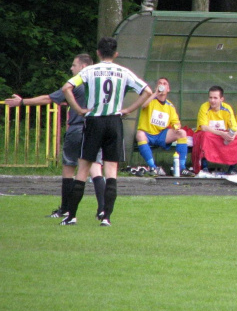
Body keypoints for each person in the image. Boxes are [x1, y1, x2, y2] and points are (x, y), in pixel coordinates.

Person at [61, 37, 152, 226]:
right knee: (111, 170)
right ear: (116, 54)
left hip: (94, 121)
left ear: (98, 53)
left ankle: (71, 216)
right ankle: (106, 217)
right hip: (114, 121)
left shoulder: (89, 70)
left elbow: (67, 88)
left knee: (83, 168)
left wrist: (78, 109)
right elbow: (147, 92)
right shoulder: (123, 71)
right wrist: (128, 110)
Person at [5, 54, 106, 219]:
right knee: (95, 168)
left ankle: (65, 209)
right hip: (96, 129)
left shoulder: (76, 84)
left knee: (69, 169)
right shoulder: (99, 85)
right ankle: (102, 209)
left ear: (82, 67)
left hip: (77, 129)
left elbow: (48, 98)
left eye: (74, 65)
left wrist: (22, 102)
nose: (71, 68)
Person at [136, 77, 194, 177]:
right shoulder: (151, 99)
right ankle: (153, 167)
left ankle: (181, 168)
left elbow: (176, 122)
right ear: (156, 87)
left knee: (182, 133)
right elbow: (144, 105)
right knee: (139, 134)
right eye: (160, 83)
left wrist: (176, 127)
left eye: (164, 84)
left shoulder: (170, 106)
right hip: (147, 134)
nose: (162, 85)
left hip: (161, 135)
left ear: (168, 89)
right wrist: (155, 93)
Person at [192, 85, 237, 175]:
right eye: (210, 97)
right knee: (205, 135)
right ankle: (204, 166)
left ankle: (233, 168)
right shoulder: (204, 107)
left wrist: (233, 136)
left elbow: (235, 128)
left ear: (221, 99)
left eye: (215, 98)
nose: (212, 100)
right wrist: (221, 133)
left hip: (222, 135)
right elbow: (203, 127)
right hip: (210, 135)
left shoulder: (227, 108)